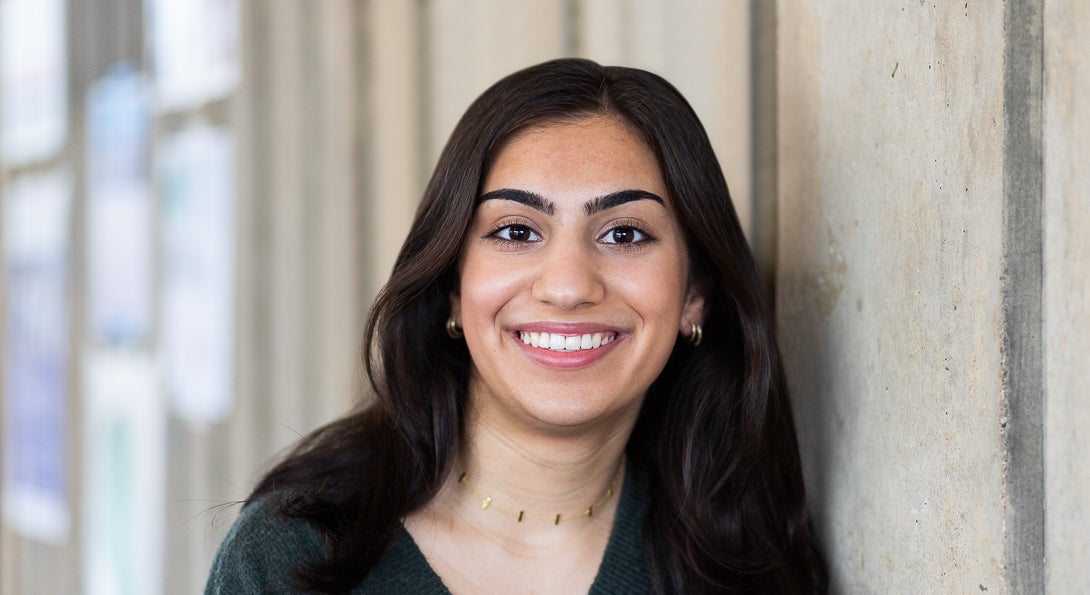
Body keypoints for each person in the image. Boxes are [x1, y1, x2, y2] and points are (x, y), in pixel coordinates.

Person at [205, 58, 827, 594]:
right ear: (452, 285)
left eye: (625, 233)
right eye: (516, 231)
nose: (567, 286)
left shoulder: (748, 568)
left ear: (695, 295)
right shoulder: (295, 561)